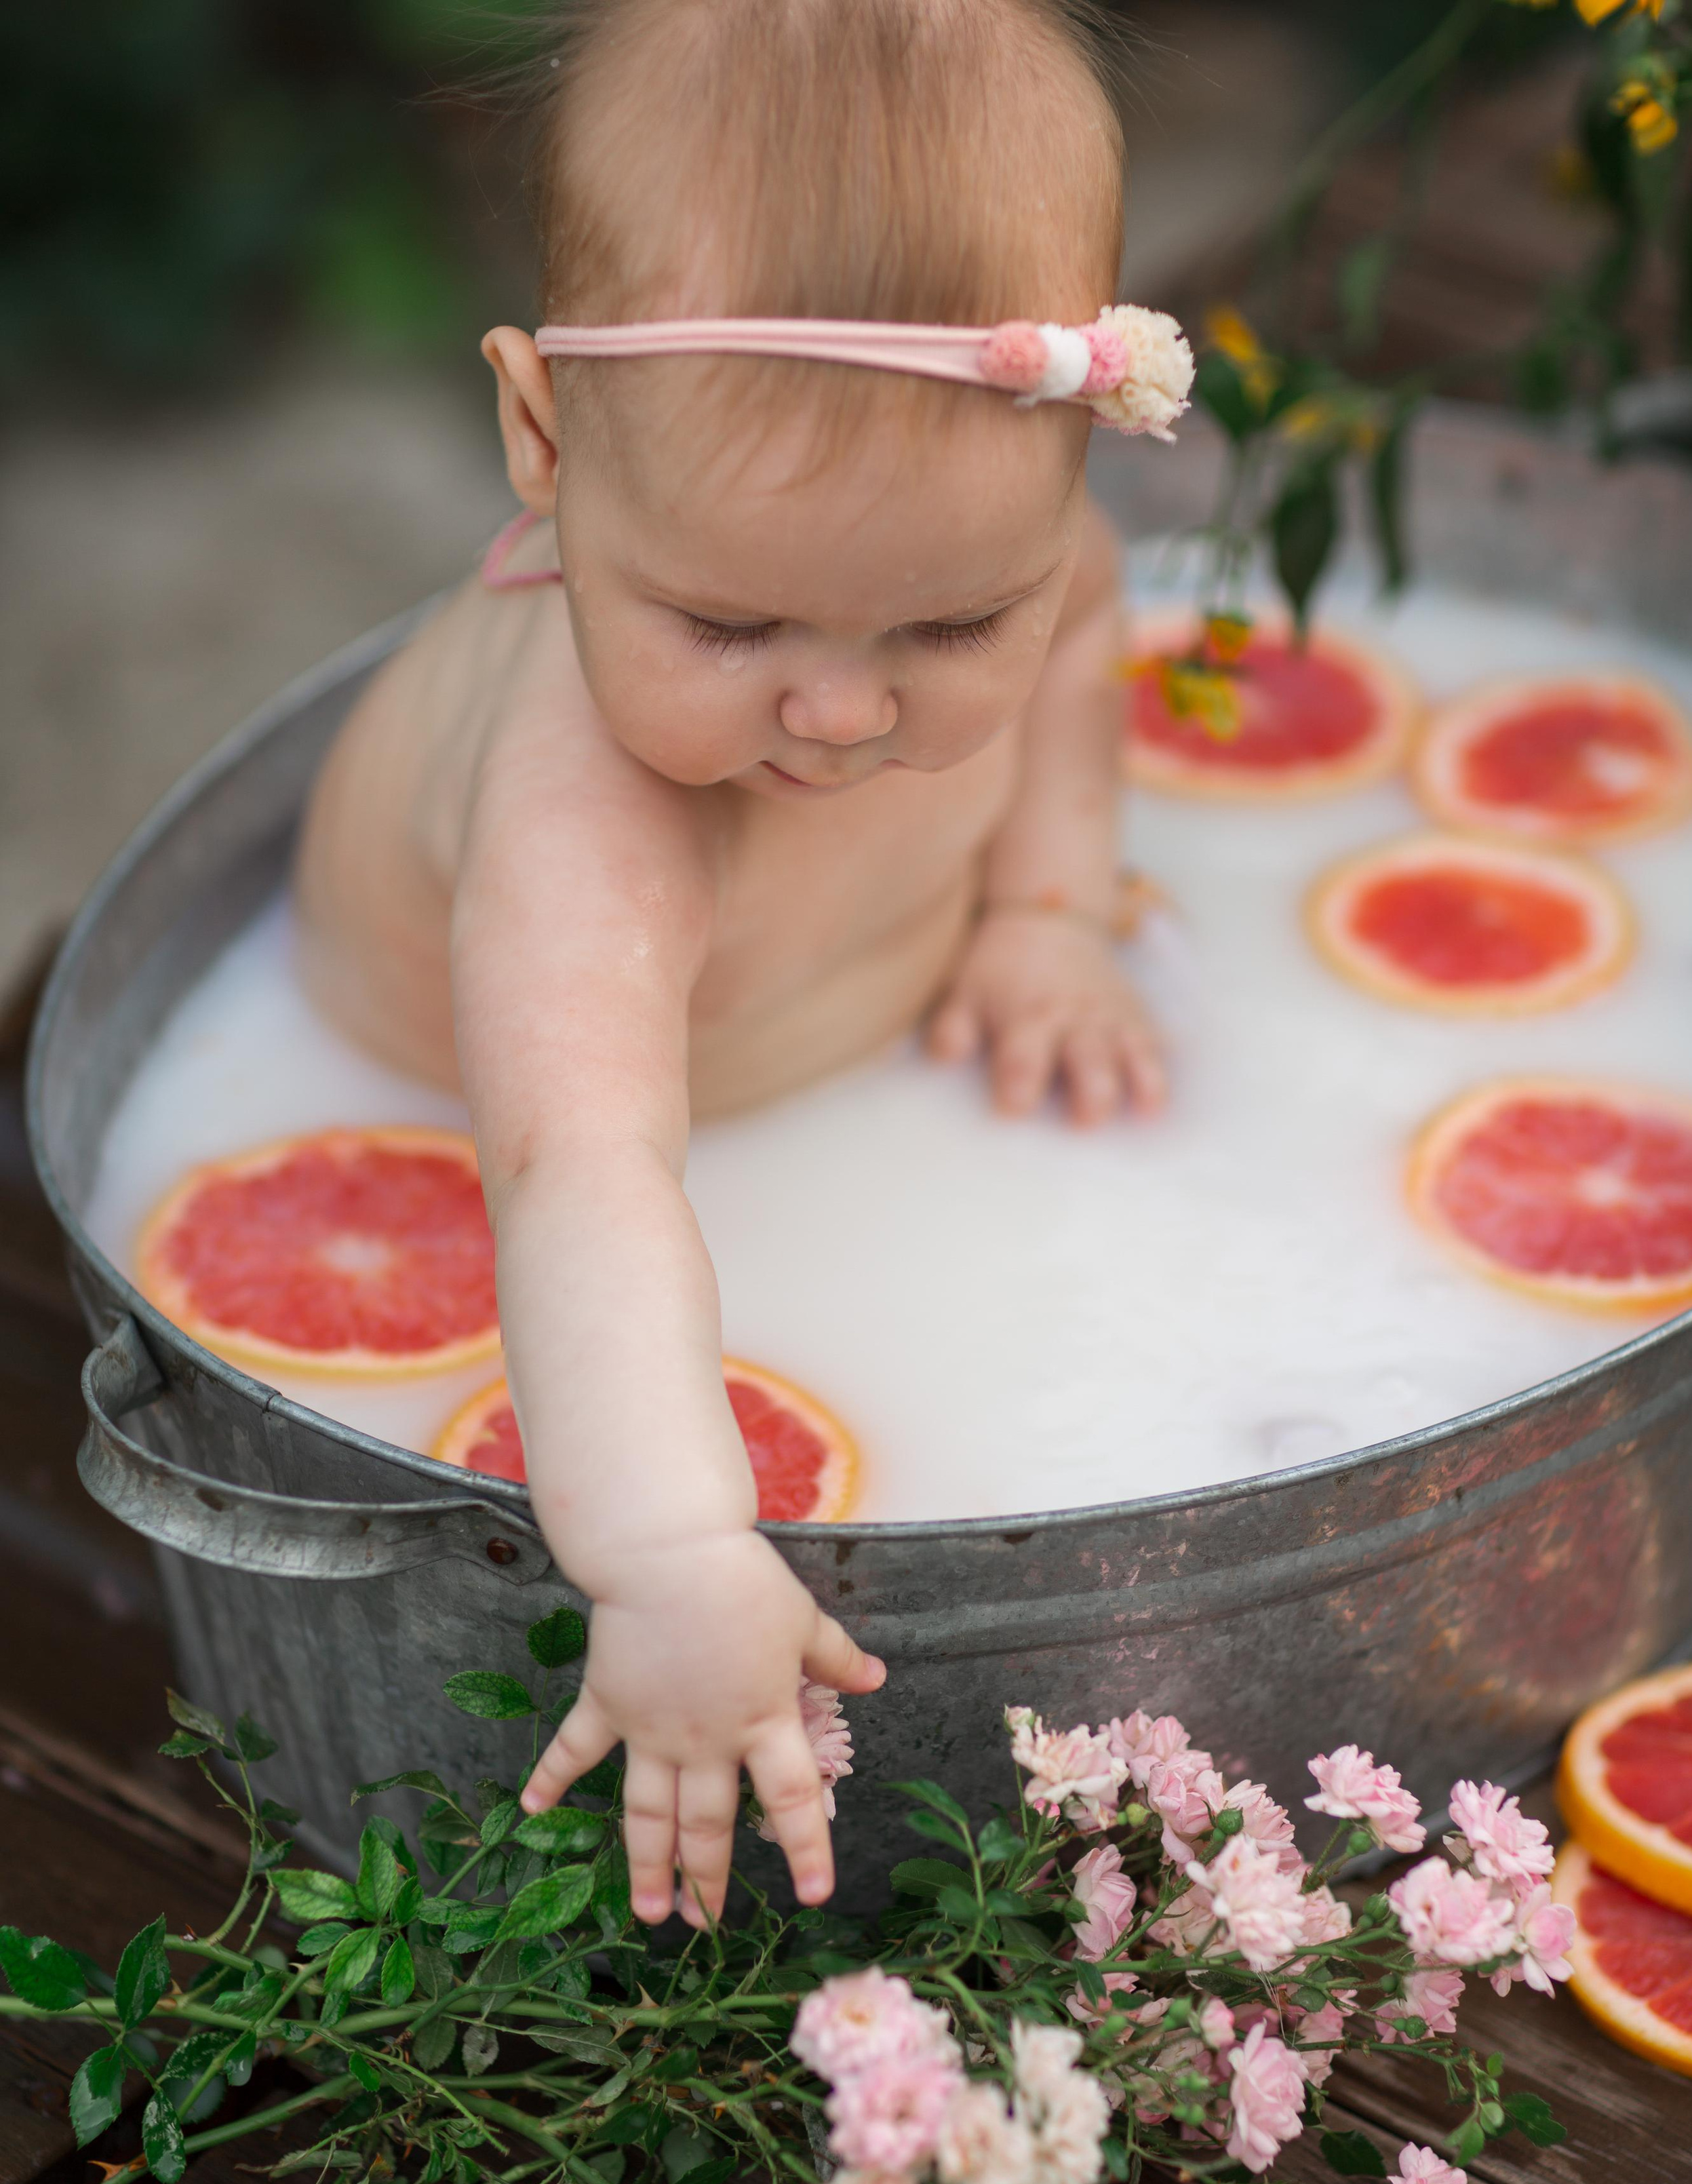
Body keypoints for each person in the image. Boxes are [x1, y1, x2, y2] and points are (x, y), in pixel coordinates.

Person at [294, 0, 1192, 1932]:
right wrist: (676, 1547)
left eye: (959, 618)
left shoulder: (1028, 561)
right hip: (445, 1114)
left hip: (848, 1038)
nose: (848, 707)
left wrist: (1048, 905)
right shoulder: (584, 810)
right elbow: (584, 1170)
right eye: (727, 620)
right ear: (545, 441)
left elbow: (1101, 621)